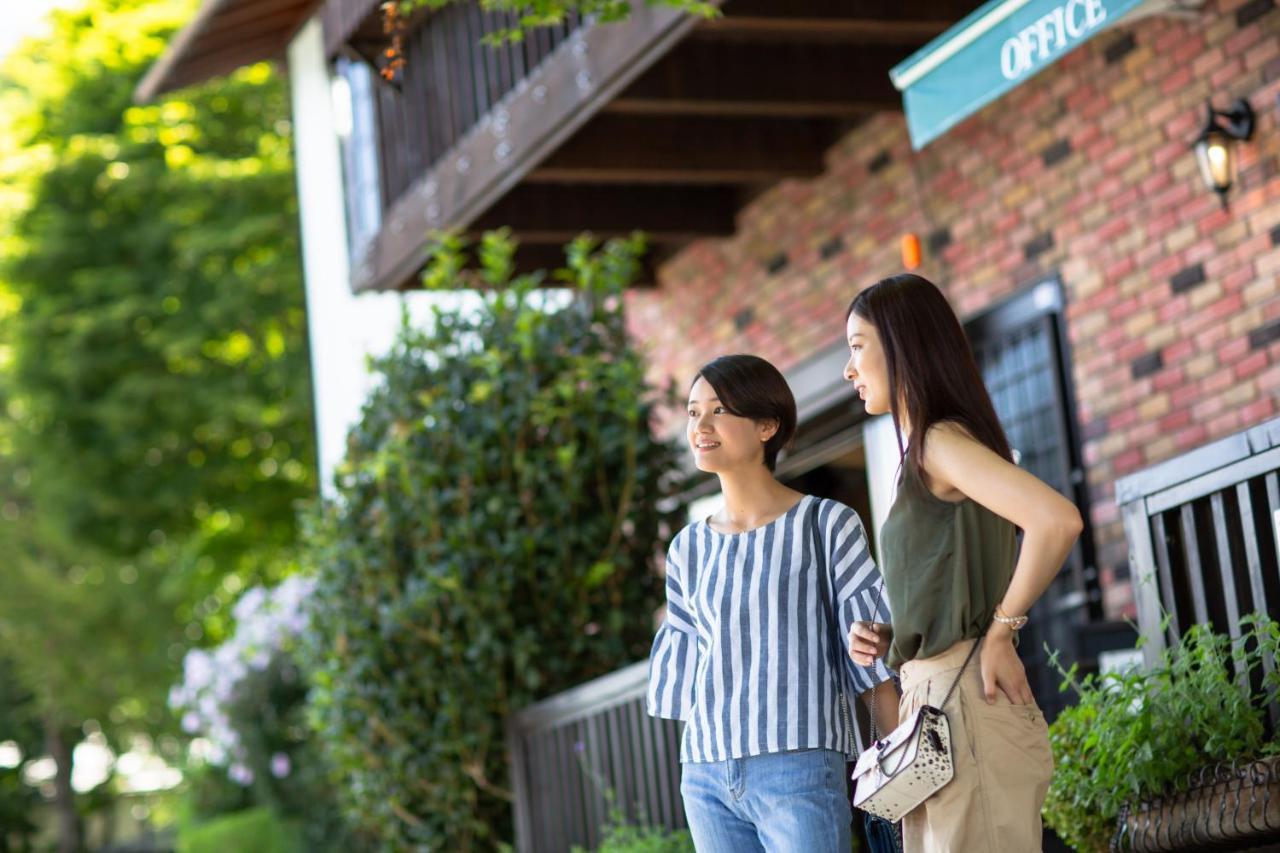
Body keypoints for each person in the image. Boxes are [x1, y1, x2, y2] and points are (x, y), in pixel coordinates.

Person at [843, 274, 1082, 852]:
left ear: (901, 346)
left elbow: (1057, 520)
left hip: (962, 699)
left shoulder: (938, 443)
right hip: (938, 702)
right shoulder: (928, 450)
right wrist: (898, 633)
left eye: (856, 346)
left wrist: (1004, 630)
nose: (849, 370)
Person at [646, 353, 898, 853]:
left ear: (767, 425)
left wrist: (903, 767)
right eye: (694, 412)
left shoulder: (826, 524)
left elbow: (868, 660)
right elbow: (690, 673)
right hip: (705, 772)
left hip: (799, 765)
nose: (701, 425)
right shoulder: (687, 549)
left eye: (719, 410)